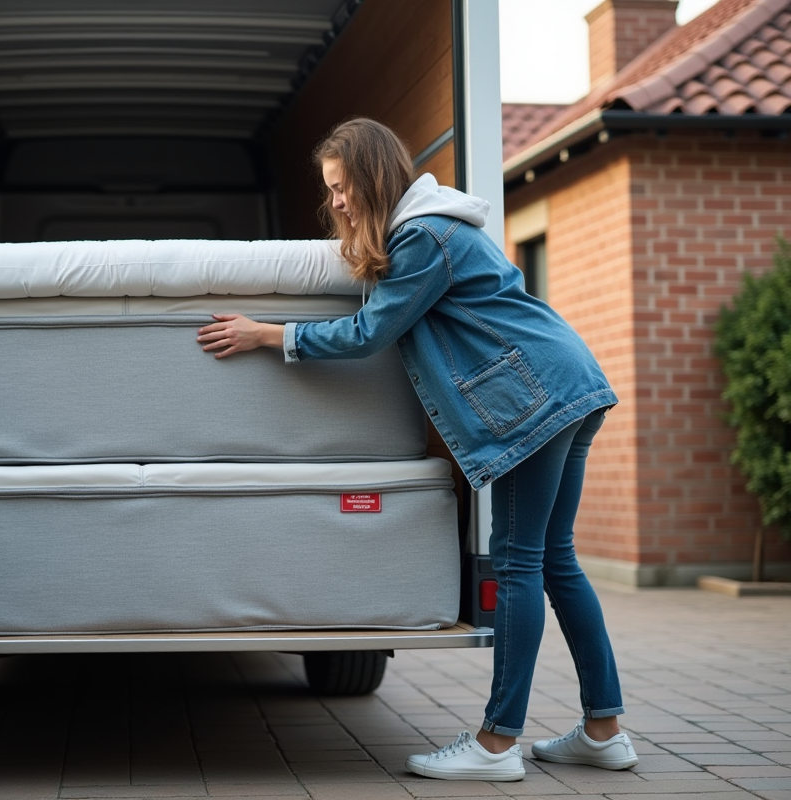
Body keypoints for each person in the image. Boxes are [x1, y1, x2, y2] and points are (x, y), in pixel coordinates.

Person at [196, 117, 639, 782]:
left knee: (520, 564)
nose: (337, 202)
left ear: (373, 177)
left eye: (343, 188)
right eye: (331, 191)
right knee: (556, 562)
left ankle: (496, 745)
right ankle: (604, 730)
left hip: (538, 398)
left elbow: (370, 332)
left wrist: (271, 335)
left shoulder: (424, 236)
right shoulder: (431, 226)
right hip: (566, 381)